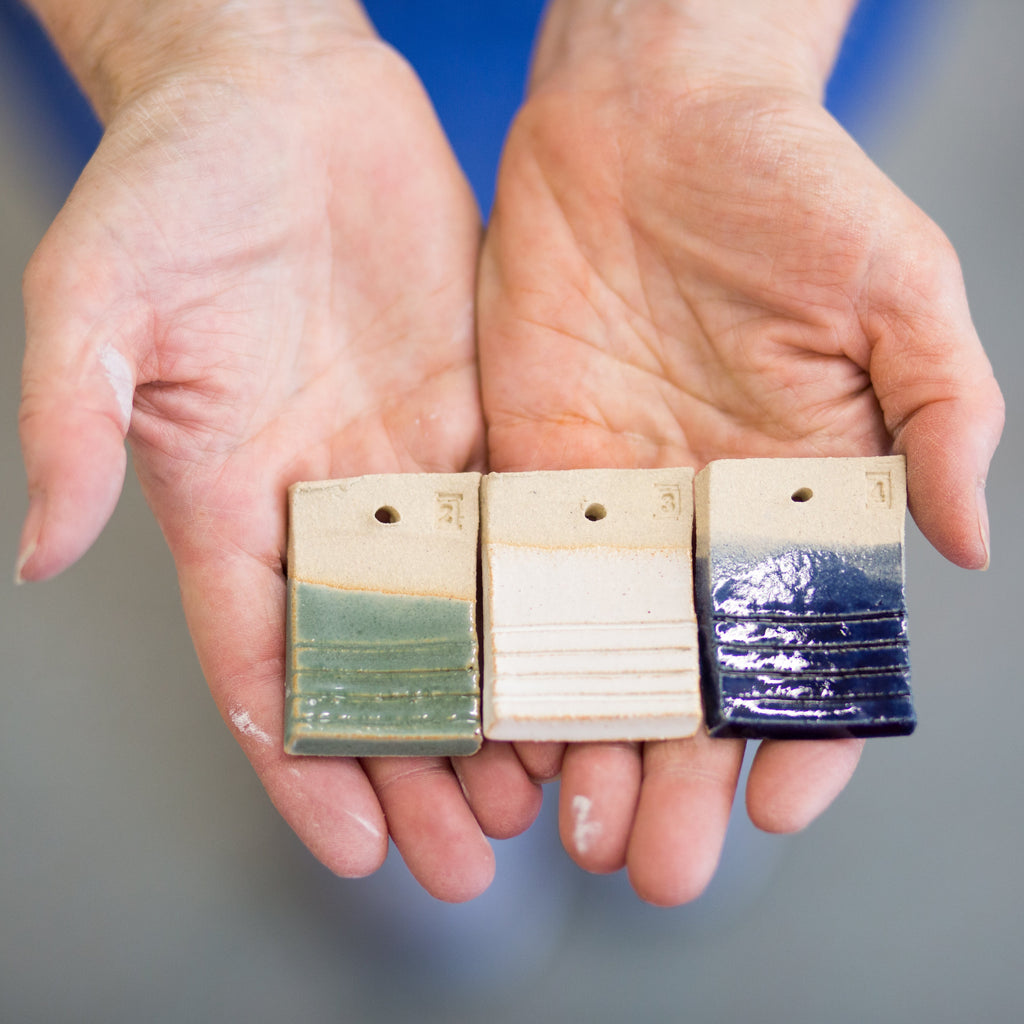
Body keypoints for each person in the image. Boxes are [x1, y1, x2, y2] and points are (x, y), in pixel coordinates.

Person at [14, 0, 1003, 906]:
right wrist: (196, 44)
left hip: (707, 104)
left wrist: (709, 43)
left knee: (693, 735)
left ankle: (626, 788)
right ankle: (436, 861)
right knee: (393, 780)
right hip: (261, 137)